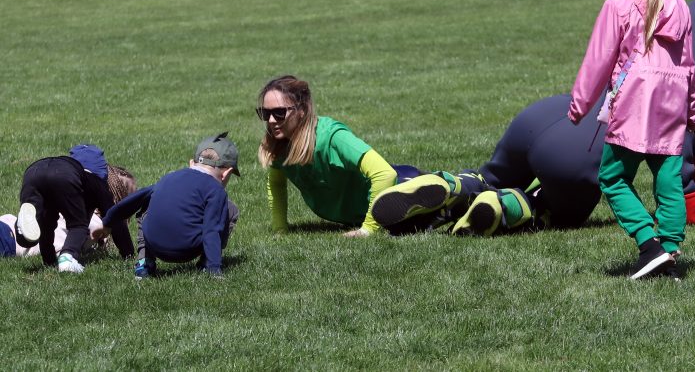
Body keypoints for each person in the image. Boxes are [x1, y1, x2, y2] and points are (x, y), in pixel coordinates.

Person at [567, 0, 695, 280]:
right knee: (668, 176)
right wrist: (693, 109)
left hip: (634, 98)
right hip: (672, 99)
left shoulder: (619, 4)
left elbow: (599, 59)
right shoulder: (680, 4)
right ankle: (671, 251)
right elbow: (689, 63)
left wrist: (579, 105)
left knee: (613, 177)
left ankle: (650, 245)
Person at [258, 75, 405, 238]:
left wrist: (368, 229)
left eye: (279, 112)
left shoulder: (332, 137)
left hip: (399, 188)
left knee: (431, 189)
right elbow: (276, 183)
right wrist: (280, 229)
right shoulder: (280, 144)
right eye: (265, 113)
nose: (271, 120)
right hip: (359, 214)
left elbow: (385, 174)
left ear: (302, 110)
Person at [98, 133, 241, 278]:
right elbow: (212, 230)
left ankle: (144, 263)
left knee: (146, 208)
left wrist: (107, 221)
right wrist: (214, 269)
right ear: (226, 173)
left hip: (155, 244)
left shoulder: (169, 177)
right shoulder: (216, 190)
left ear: (192, 163)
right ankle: (206, 263)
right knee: (230, 209)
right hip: (187, 250)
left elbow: (135, 199)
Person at [13, 144, 135, 272]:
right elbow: (115, 219)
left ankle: (24, 231)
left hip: (33, 171)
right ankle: (68, 257)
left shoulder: (66, 167)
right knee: (78, 224)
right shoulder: (97, 182)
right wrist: (128, 253)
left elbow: (49, 228)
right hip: (64, 176)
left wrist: (49, 261)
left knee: (42, 224)